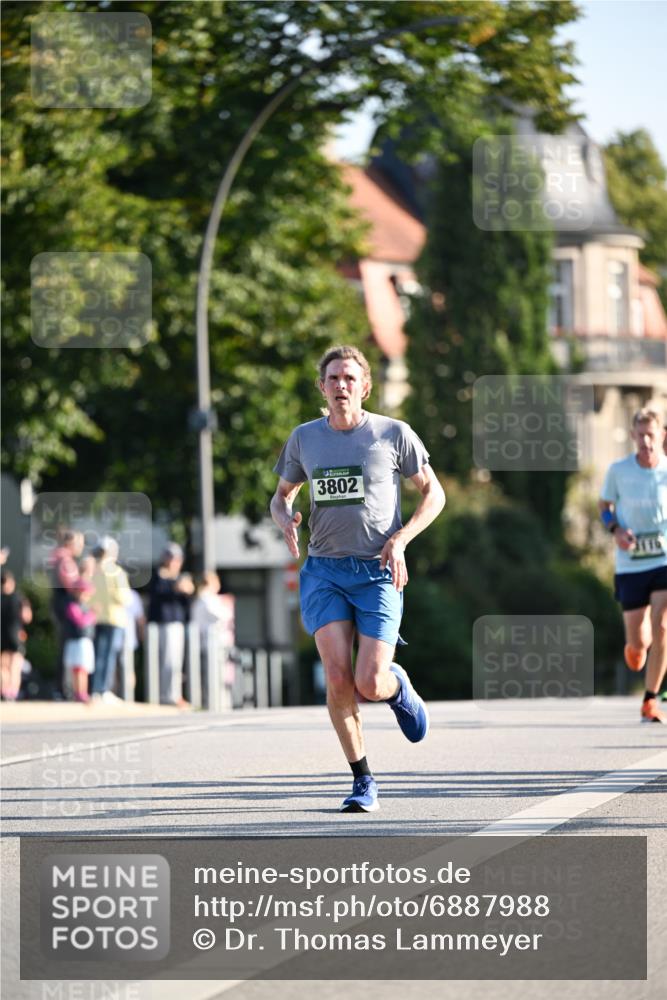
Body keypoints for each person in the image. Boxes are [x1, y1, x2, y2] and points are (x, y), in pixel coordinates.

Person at [270, 345, 445, 812]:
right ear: (321, 387)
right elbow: (281, 495)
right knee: (337, 676)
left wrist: (402, 538)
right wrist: (284, 516)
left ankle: (397, 686)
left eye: (350, 378)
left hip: (377, 572)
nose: (341, 386)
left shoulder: (393, 434)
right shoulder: (305, 439)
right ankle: (362, 779)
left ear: (364, 386)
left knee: (369, 681)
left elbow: (435, 493)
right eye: (333, 379)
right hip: (324, 570)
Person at [599, 407, 667, 723]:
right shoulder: (619, 470)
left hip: (663, 561)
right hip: (630, 564)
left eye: (651, 435)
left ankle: (650, 699)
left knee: (663, 625)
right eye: (640, 435)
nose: (646, 441)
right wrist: (615, 529)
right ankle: (637, 647)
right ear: (632, 436)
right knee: (638, 644)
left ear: (661, 435)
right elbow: (604, 506)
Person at [147, 543, 194, 706]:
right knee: (167, 661)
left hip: (178, 623)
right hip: (163, 624)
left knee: (176, 662)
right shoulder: (158, 576)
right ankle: (166, 696)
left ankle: (175, 694)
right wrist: (176, 588)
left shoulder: (180, 577)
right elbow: (158, 595)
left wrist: (187, 590)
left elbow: (186, 603)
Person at [89, 536, 131, 703]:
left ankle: (94, 690)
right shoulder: (116, 571)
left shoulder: (93, 570)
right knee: (108, 656)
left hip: (96, 617)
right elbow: (123, 597)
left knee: (98, 654)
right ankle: (104, 689)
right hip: (114, 617)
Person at [1, 570, 32, 700]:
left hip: (5, 635)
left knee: (5, 666)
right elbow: (27, 617)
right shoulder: (18, 598)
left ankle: (6, 691)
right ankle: (11, 692)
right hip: (14, 635)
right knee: (12, 666)